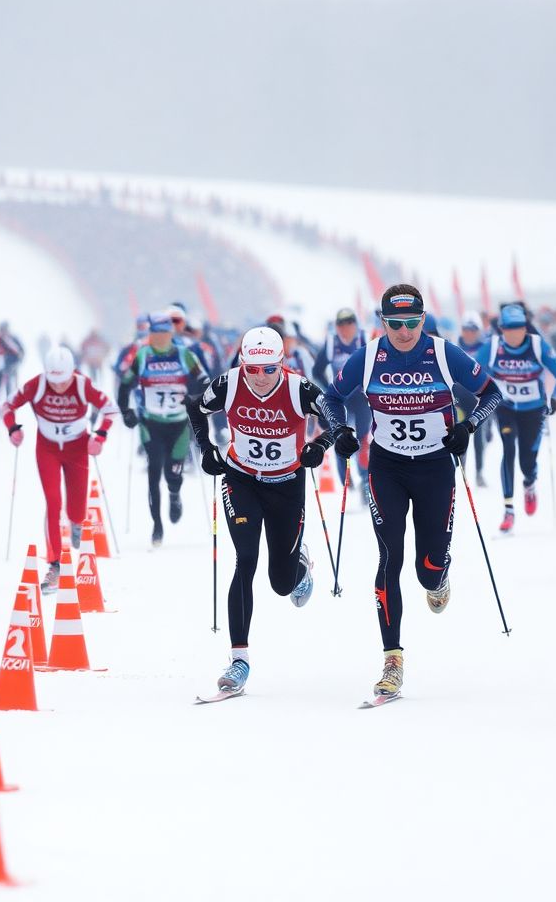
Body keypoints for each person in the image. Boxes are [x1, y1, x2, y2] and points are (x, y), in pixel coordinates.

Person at [319, 285, 502, 699]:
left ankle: (439, 576)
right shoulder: (367, 358)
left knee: (428, 569)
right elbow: (331, 398)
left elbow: (492, 392)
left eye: (412, 322)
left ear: (423, 319)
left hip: (436, 467)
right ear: (382, 322)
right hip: (388, 468)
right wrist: (341, 431)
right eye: (395, 323)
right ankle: (392, 659)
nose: (404, 332)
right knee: (389, 557)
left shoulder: (442, 353)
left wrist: (467, 427)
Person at [186, 325, 337, 695]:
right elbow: (195, 405)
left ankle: (299, 563)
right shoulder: (228, 383)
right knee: (246, 558)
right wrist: (207, 449)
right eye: (252, 369)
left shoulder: (299, 388)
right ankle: (239, 660)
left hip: (287, 486)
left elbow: (337, 416)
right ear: (242, 364)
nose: (260, 377)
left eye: (269, 369)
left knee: (281, 583)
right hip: (242, 480)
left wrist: (320, 445)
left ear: (281, 365)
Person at [2, 346, 117, 592]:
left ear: (71, 373)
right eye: (54, 381)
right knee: (53, 503)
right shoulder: (36, 385)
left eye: (63, 381)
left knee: (77, 509)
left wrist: (99, 436)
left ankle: (76, 523)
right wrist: (13, 429)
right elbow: (8, 406)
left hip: (77, 450)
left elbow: (110, 409)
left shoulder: (82, 384)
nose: (59, 387)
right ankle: (55, 564)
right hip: (48, 450)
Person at [477, 303, 556, 533]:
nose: (514, 333)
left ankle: (529, 483)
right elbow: (473, 371)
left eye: (519, 327)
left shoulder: (538, 345)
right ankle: (508, 510)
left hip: (533, 409)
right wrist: (480, 393)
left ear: (525, 328)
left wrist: (555, 397)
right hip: (506, 407)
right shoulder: (493, 346)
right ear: (502, 329)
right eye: (509, 328)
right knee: (508, 448)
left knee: (527, 460)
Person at [117, 312, 208, 547]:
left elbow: (205, 381)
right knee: (153, 474)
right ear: (150, 335)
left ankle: (175, 494)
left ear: (170, 334)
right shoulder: (143, 355)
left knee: (172, 475)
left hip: (178, 425)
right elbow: (125, 384)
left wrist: (195, 400)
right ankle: (156, 525)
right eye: (155, 334)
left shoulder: (184, 354)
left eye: (163, 334)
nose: (159, 339)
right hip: (151, 424)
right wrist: (126, 412)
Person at [312, 307, 372, 492]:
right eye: (341, 324)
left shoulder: (364, 340)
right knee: (341, 436)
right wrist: (329, 388)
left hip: (360, 397)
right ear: (336, 327)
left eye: (349, 323)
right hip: (341, 398)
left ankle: (364, 480)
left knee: (363, 439)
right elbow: (317, 371)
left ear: (355, 324)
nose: (345, 328)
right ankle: (346, 480)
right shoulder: (331, 343)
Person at [455, 311, 491, 487]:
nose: (469, 333)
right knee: (461, 434)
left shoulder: (486, 348)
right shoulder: (455, 347)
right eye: (466, 329)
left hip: (479, 399)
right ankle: (462, 470)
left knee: (479, 437)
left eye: (473, 329)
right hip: (460, 399)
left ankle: (479, 472)